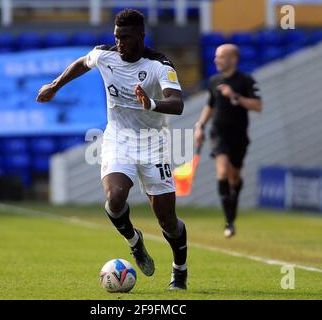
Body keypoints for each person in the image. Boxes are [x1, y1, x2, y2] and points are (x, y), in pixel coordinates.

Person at [37, 9, 188, 290]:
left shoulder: (159, 65)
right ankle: (135, 242)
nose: (120, 43)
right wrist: (55, 86)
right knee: (115, 198)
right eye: (117, 37)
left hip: (153, 144)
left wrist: (151, 104)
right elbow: (83, 63)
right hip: (118, 139)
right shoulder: (105, 55)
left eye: (126, 37)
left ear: (141, 36)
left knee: (167, 221)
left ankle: (180, 270)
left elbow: (177, 103)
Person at [194, 44, 262, 238]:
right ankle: (229, 221)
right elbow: (210, 106)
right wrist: (200, 126)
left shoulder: (246, 81)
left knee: (235, 178)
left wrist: (235, 96)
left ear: (233, 59)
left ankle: (233, 206)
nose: (216, 60)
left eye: (221, 57)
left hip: (239, 137)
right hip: (219, 134)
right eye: (216, 56)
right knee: (222, 172)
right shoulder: (214, 81)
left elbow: (258, 105)